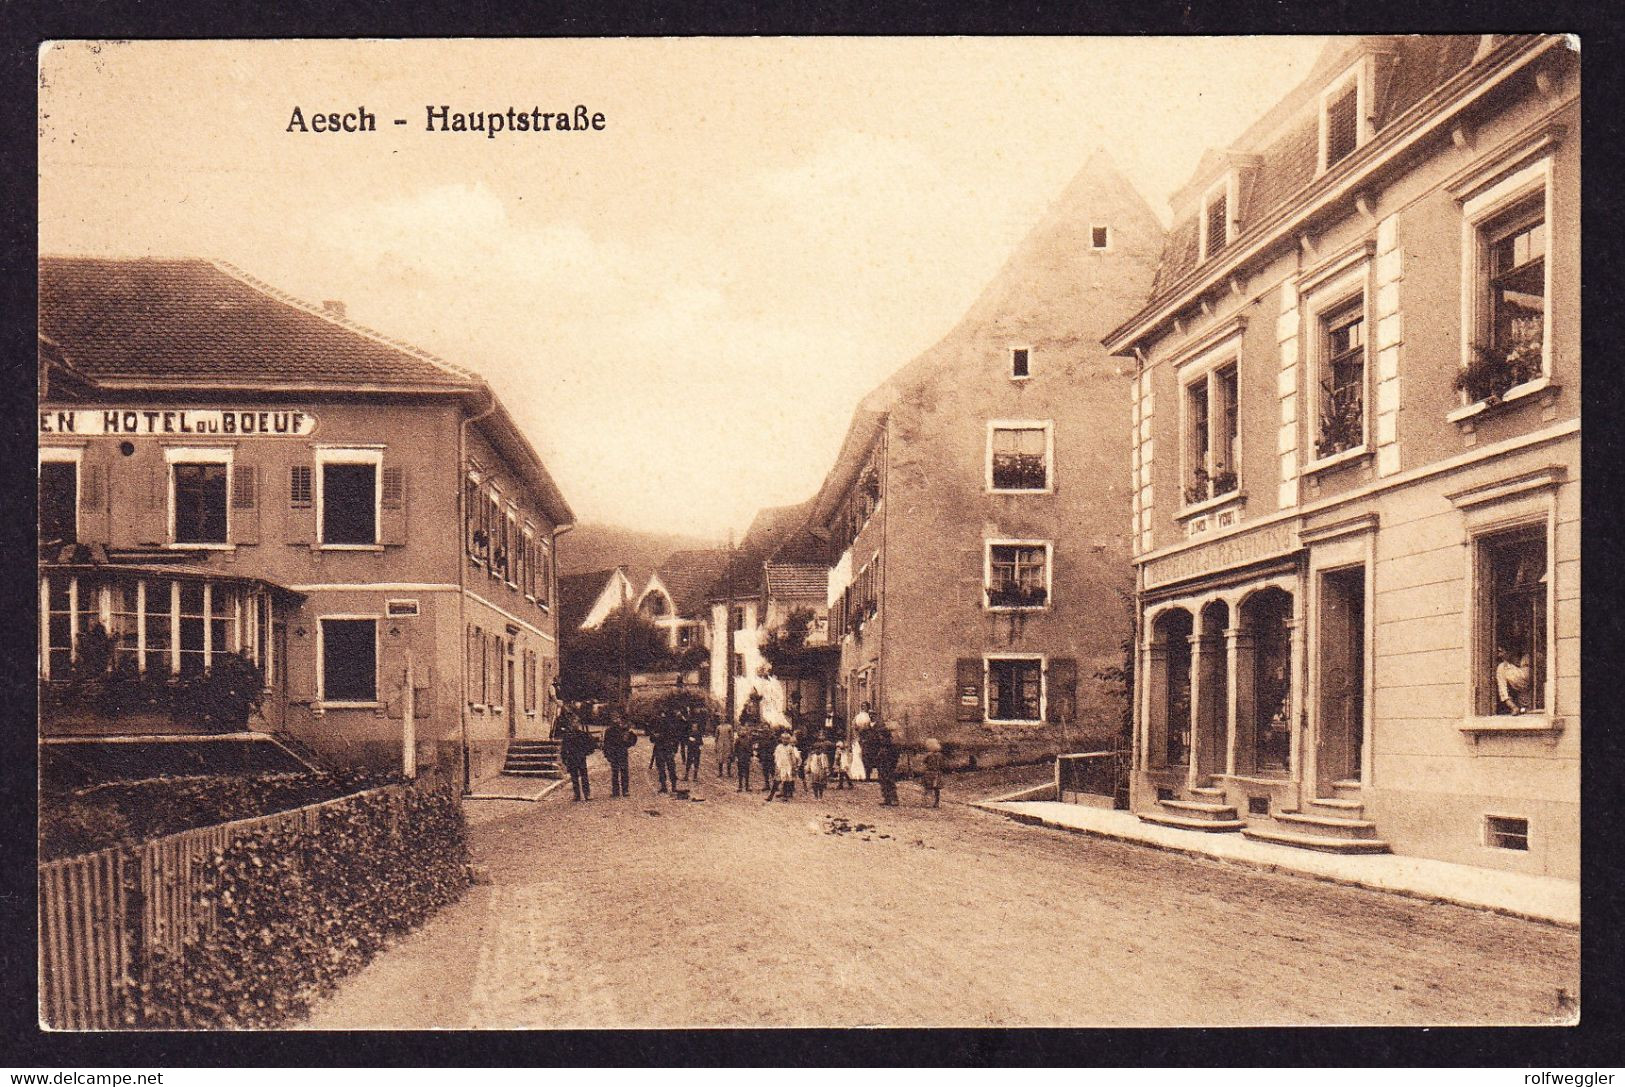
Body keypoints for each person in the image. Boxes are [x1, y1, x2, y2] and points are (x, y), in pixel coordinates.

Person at [559, 718, 598, 801]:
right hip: (571, 758)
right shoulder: (567, 736)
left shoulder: (583, 734)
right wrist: (564, 759)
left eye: (576, 723)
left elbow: (591, 744)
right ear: (570, 725)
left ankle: (587, 794)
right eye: (573, 723)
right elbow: (563, 749)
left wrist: (586, 752)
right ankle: (577, 795)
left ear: (579, 724)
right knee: (574, 778)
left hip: (581, 758)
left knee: (584, 776)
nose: (575, 725)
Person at [601, 712, 638, 797]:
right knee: (615, 773)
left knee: (624, 771)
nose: (616, 720)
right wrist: (607, 754)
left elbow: (632, 741)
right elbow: (606, 744)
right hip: (614, 754)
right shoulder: (609, 731)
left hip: (622, 753)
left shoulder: (624, 730)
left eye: (617, 718)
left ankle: (625, 790)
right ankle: (616, 791)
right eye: (614, 718)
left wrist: (628, 740)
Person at [1496, 644, 1534, 715]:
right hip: (1521, 703)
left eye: (1501, 651)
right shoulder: (1502, 668)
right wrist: (1513, 707)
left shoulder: (1530, 658)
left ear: (1510, 651)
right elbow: (1503, 690)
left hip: (1537, 702)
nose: (1499, 655)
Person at [652, 706, 682, 793]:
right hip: (662, 749)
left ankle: (671, 787)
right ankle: (666, 786)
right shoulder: (659, 724)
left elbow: (676, 738)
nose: (662, 717)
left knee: (669, 768)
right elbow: (652, 737)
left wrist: (674, 750)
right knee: (664, 768)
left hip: (667, 749)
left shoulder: (671, 726)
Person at [869, 723, 900, 806]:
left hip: (888, 767)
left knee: (889, 781)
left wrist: (892, 765)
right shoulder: (881, 746)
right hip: (882, 767)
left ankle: (894, 799)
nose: (880, 738)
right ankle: (887, 798)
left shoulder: (891, 746)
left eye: (881, 736)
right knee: (883, 782)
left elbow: (895, 757)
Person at [771, 731, 802, 802]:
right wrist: (776, 763)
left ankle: (785, 796)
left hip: (788, 766)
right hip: (780, 765)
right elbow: (776, 755)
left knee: (786, 781)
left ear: (789, 740)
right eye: (783, 739)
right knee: (776, 780)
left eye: (787, 739)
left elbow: (793, 758)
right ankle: (771, 795)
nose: (785, 740)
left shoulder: (790, 748)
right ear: (781, 739)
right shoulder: (779, 747)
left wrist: (794, 766)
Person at [805, 732, 833, 799]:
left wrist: (827, 770)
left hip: (821, 770)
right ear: (814, 749)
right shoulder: (812, 756)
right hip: (814, 770)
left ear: (821, 749)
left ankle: (820, 796)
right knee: (814, 783)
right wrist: (808, 768)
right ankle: (815, 796)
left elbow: (826, 763)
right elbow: (809, 762)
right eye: (816, 749)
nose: (818, 750)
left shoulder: (824, 756)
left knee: (821, 784)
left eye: (819, 749)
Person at [919, 737, 944, 808]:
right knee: (937, 789)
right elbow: (942, 764)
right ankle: (937, 802)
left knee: (928, 788)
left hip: (929, 773)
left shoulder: (928, 755)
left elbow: (924, 761)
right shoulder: (940, 755)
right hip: (938, 773)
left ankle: (927, 802)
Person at [755, 725, 777, 795]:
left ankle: (775, 785)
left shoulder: (772, 737)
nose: (765, 729)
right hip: (763, 756)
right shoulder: (761, 737)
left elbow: (775, 746)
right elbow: (759, 746)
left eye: (766, 728)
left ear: (769, 728)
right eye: (764, 728)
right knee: (765, 771)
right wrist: (758, 754)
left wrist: (772, 753)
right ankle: (767, 785)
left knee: (772, 771)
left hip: (770, 756)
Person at [683, 712, 704, 781]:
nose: (694, 728)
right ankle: (686, 775)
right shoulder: (689, 733)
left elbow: (701, 742)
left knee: (696, 762)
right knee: (689, 761)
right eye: (693, 727)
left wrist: (700, 747)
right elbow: (686, 741)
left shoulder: (698, 734)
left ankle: (695, 776)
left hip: (697, 750)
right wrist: (689, 741)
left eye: (695, 727)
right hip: (690, 749)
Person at [734, 724, 755, 792]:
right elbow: (735, 749)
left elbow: (751, 748)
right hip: (740, 758)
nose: (743, 732)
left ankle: (747, 786)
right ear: (739, 731)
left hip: (747, 758)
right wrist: (736, 757)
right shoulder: (738, 739)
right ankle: (740, 786)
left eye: (744, 730)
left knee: (747, 772)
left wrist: (751, 756)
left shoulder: (749, 739)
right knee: (740, 772)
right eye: (741, 730)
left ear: (747, 731)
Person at [716, 715, 735, 779]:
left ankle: (729, 773)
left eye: (724, 719)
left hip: (727, 744)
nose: (723, 720)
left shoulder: (729, 727)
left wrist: (732, 745)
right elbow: (716, 737)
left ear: (726, 719)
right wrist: (716, 746)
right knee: (720, 758)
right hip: (720, 744)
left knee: (728, 758)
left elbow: (732, 737)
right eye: (721, 719)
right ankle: (720, 772)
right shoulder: (718, 727)